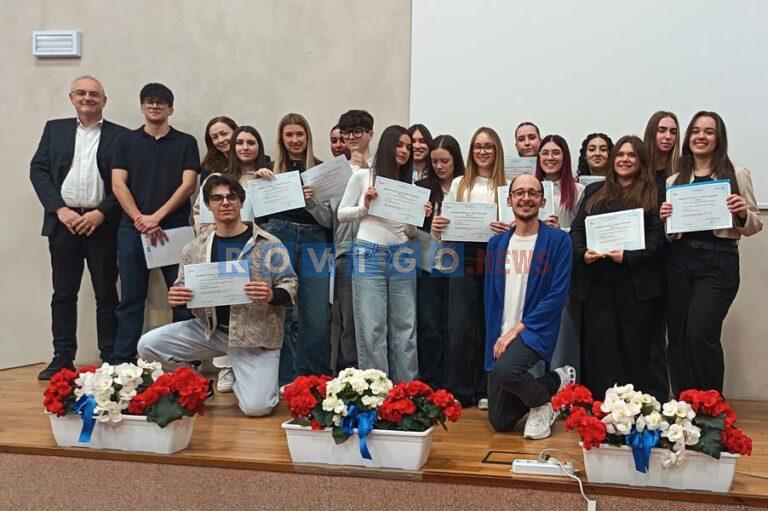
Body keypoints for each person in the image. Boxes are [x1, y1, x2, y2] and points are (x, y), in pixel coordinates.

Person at [137, 174, 297, 416]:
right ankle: (198, 383)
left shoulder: (269, 244)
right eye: (217, 198)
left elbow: (291, 283)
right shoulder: (194, 248)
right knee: (148, 345)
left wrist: (271, 294)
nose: (225, 203)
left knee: (257, 408)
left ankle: (247, 377)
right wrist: (177, 296)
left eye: (231, 197)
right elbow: (182, 285)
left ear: (241, 202)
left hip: (254, 336)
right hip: (210, 331)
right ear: (208, 205)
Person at [30, 75, 127, 379]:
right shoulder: (54, 129)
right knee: (63, 293)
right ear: (71, 97)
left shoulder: (120, 136)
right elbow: (39, 170)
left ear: (104, 101)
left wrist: (101, 213)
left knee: (106, 293)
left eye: (94, 94)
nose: (88, 98)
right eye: (81, 93)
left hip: (102, 224)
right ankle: (62, 357)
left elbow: (125, 182)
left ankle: (109, 356)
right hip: (64, 224)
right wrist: (59, 209)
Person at [660, 111, 762, 395]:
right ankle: (683, 407)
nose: (700, 137)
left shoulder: (737, 174)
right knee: (678, 338)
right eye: (695, 131)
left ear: (719, 139)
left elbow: (754, 225)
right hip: (679, 261)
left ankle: (710, 406)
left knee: (700, 333)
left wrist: (742, 213)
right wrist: (665, 219)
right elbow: (670, 235)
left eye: (708, 131)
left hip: (719, 261)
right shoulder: (674, 180)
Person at [570, 135, 669, 401]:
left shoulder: (655, 193)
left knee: (636, 350)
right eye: (621, 155)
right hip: (598, 285)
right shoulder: (594, 191)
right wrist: (582, 253)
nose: (625, 160)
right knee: (601, 348)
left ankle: (638, 409)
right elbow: (578, 230)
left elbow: (657, 239)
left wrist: (628, 256)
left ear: (641, 161)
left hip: (637, 287)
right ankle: (604, 409)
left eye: (632, 155)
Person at [110, 83, 200, 364]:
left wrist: (156, 217)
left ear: (170, 108)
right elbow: (117, 183)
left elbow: (188, 186)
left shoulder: (186, 142)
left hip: (174, 229)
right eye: (149, 101)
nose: (155, 105)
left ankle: (185, 363)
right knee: (131, 299)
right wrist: (141, 219)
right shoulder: (125, 141)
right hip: (131, 230)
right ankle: (123, 362)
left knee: (183, 298)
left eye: (161, 102)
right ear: (141, 106)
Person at [338, 125, 432, 382]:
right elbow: (341, 213)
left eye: (408, 147)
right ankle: (377, 393)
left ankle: (406, 393)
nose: (404, 151)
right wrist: (364, 206)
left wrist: (418, 216)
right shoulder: (363, 176)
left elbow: (409, 232)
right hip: (368, 252)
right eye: (400, 145)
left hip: (402, 253)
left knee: (405, 327)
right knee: (372, 328)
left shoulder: (409, 185)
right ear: (388, 146)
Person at [485, 174, 575, 438]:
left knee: (506, 372)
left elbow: (557, 295)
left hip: (534, 328)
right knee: (500, 421)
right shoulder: (496, 244)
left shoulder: (558, 241)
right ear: (509, 199)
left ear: (542, 200)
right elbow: (491, 297)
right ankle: (556, 381)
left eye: (533, 193)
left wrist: (516, 330)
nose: (526, 198)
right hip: (502, 331)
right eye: (520, 193)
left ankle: (542, 404)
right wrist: (496, 335)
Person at [431, 127, 509, 409]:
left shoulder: (506, 185)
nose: (483, 151)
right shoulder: (460, 183)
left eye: (488, 146)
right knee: (461, 323)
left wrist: (507, 228)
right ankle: (460, 389)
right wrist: (437, 226)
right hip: (462, 254)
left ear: (496, 150)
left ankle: (487, 389)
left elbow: (519, 225)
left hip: (497, 255)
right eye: (478, 146)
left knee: (490, 321)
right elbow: (445, 227)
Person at [255, 113, 333, 385]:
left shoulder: (320, 170)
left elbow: (330, 220)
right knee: (281, 310)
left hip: (316, 239)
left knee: (317, 314)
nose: (295, 139)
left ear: (308, 137)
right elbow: (259, 215)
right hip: (279, 235)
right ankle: (285, 380)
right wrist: (261, 182)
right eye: (289, 134)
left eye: (300, 134)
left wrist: (313, 202)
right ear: (281, 138)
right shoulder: (268, 169)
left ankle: (317, 380)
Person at [198, 125, 270, 392]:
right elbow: (201, 211)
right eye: (239, 142)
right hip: (224, 241)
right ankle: (226, 366)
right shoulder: (218, 178)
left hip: (256, 245)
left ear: (259, 146)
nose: (244, 147)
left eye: (251, 142)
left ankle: (249, 364)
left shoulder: (267, 175)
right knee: (224, 303)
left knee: (251, 304)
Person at [415, 135, 465, 389]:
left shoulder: (465, 186)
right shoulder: (423, 187)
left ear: (456, 160)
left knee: (456, 323)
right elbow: (409, 230)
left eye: (444, 161)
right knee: (431, 322)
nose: (439, 166)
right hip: (429, 262)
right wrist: (426, 222)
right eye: (434, 161)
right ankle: (432, 381)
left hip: (462, 262)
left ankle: (454, 380)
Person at [534, 135, 585, 375]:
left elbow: (580, 232)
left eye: (556, 153)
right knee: (533, 323)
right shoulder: (528, 186)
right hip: (533, 266)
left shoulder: (578, 190)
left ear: (564, 157)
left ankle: (563, 387)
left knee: (564, 327)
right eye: (545, 153)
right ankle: (531, 386)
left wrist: (559, 231)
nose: (550, 157)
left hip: (564, 267)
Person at [329, 110, 375, 371]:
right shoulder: (336, 171)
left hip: (378, 250)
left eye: (358, 131)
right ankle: (351, 376)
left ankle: (375, 375)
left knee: (374, 319)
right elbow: (331, 215)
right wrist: (312, 201)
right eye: (346, 133)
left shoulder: (383, 165)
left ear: (370, 133)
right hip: (346, 250)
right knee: (348, 320)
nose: (352, 137)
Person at [643, 111, 680, 198]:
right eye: (662, 130)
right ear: (651, 133)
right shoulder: (638, 167)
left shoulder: (682, 168)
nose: (668, 136)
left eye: (673, 132)